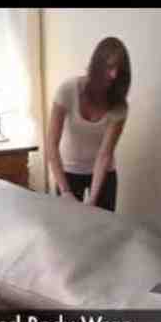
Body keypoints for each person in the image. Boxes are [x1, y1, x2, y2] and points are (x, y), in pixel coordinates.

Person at [46, 37, 131, 212]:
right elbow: (51, 144)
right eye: (110, 67)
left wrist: (92, 200)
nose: (114, 75)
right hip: (68, 172)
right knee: (67, 225)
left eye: (119, 70)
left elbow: (105, 154)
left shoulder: (120, 106)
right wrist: (65, 192)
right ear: (97, 65)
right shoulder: (68, 90)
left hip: (103, 174)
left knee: (102, 225)